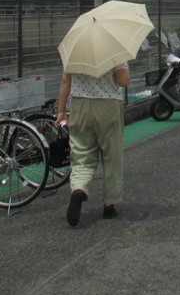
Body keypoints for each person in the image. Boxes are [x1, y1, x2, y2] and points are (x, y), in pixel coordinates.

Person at [55, 61, 130, 227]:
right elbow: (123, 80)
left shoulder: (75, 49)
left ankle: (78, 189)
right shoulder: (113, 47)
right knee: (112, 155)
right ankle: (109, 205)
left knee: (82, 155)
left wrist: (61, 111)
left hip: (80, 104)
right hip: (109, 104)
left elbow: (66, 81)